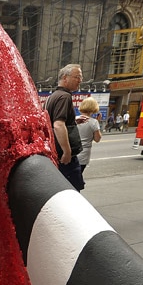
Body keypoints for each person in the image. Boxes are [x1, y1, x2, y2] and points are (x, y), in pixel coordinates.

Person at [44, 63, 84, 191]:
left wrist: (74, 121)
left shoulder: (52, 96)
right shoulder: (64, 97)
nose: (80, 80)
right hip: (63, 155)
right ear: (65, 78)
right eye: (77, 77)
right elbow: (58, 125)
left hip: (54, 151)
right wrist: (67, 152)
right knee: (72, 191)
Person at [75, 97, 102, 175]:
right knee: (78, 176)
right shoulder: (94, 122)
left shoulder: (75, 119)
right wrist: (98, 123)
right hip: (84, 154)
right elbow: (97, 139)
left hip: (72, 152)